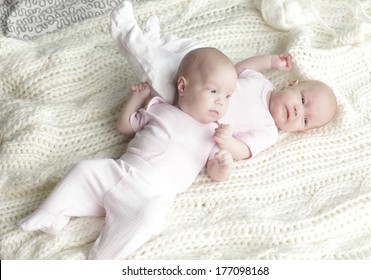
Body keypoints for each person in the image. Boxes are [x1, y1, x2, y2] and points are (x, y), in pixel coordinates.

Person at [17, 47, 238, 259]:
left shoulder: (214, 134)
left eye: (228, 96)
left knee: (149, 219)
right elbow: (125, 126)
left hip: (152, 195)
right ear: (182, 87)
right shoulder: (159, 108)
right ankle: (51, 214)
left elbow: (215, 173)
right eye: (213, 91)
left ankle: (103, 256)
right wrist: (137, 99)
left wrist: (224, 163)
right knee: (83, 170)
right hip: (120, 171)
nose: (221, 101)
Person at [110, 1, 337, 161]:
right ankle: (157, 43)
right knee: (199, 53)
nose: (298, 111)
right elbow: (239, 70)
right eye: (303, 99)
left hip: (191, 108)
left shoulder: (268, 130)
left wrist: (229, 143)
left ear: (300, 131)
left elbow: (245, 150)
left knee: (160, 76)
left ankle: (129, 35)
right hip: (204, 81)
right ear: (291, 84)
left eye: (306, 119)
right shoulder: (262, 83)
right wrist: (271, 61)